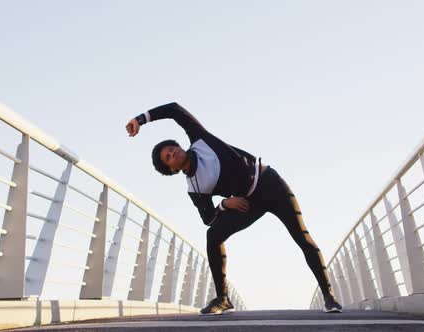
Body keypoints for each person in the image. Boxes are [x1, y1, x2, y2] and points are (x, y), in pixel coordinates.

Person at [126, 102, 342, 315]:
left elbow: (174, 109)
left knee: (302, 237)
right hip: (248, 202)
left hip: (269, 183)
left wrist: (140, 119)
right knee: (213, 235)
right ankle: (223, 299)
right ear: (170, 169)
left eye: (172, 149)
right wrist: (224, 203)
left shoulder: (201, 140)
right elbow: (208, 217)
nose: (173, 154)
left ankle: (329, 296)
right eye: (168, 158)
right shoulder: (195, 188)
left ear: (179, 146)